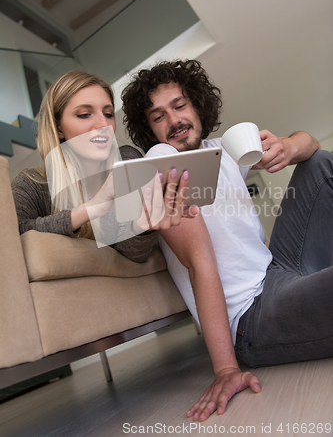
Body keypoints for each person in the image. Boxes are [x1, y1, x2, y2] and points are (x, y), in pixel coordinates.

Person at [121, 59, 333, 421]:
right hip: (253, 316)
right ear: (149, 129)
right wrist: (225, 369)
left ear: (198, 105)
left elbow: (310, 144)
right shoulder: (160, 162)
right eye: (158, 117)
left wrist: (287, 145)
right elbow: (199, 262)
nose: (173, 121)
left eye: (179, 105)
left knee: (318, 162)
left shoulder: (226, 149)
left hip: (278, 271)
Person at [12, 70, 198, 264]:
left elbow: (133, 256)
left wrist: (145, 228)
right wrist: (91, 208)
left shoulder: (126, 161)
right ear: (58, 128)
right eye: (84, 114)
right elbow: (14, 240)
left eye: (108, 114)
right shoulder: (32, 184)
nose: (103, 124)